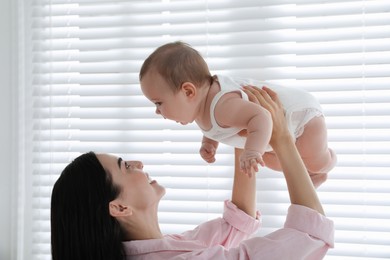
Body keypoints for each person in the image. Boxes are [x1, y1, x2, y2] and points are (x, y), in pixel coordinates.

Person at [51, 86, 334, 260]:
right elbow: (308, 237)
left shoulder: (165, 247)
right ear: (119, 206)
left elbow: (237, 223)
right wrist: (282, 138)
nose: (137, 163)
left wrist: (241, 133)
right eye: (124, 166)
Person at [139, 41, 337, 187]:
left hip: (301, 118)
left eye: (159, 103)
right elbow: (211, 126)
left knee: (315, 160)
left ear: (188, 91)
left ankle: (328, 160)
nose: (157, 111)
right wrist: (208, 143)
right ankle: (312, 176)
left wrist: (252, 152)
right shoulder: (201, 107)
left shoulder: (222, 105)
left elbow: (261, 117)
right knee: (274, 162)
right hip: (272, 133)